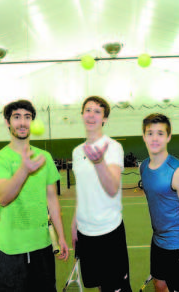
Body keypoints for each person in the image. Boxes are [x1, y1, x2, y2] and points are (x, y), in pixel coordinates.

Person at [0, 99, 69, 292]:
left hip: (42, 246)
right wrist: (24, 169)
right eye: (16, 117)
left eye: (27, 117)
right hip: (11, 249)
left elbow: (52, 199)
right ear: (8, 122)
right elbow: (3, 198)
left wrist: (61, 236)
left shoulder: (45, 157)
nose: (22, 122)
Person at [71, 96, 132, 292]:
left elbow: (112, 188)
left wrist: (99, 163)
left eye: (97, 111)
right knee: (99, 286)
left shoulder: (113, 147)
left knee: (116, 288)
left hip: (109, 231)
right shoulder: (77, 152)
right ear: (82, 115)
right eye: (88, 110)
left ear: (104, 118)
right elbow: (83, 191)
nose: (91, 115)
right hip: (85, 232)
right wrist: (75, 222)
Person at [140, 113, 179, 292]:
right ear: (144, 136)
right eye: (150, 133)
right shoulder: (143, 167)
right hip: (157, 242)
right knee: (159, 284)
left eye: (160, 133)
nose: (155, 138)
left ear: (168, 137)